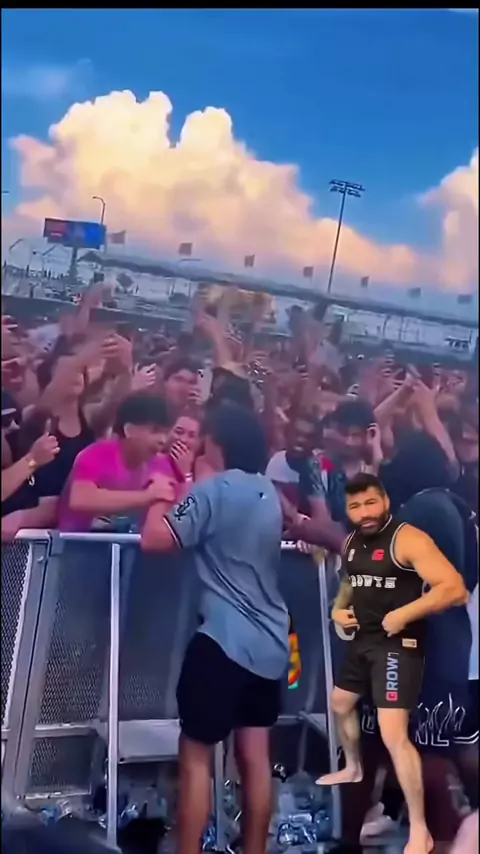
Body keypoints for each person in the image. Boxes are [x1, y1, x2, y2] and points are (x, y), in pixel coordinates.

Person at [141, 403, 289, 854]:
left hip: (221, 642)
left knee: (196, 760)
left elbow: (156, 539)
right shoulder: (268, 491)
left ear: (218, 443)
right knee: (256, 761)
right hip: (270, 644)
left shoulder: (216, 489)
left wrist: (160, 493)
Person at [317, 472, 468, 854]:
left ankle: (437, 842)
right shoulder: (451, 508)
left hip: (418, 650)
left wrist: (323, 533)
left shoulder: (424, 512)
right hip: (434, 648)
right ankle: (358, 841)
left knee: (418, 759)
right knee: (382, 748)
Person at [57, 392, 177, 532]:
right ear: (129, 430)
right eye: (155, 431)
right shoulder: (96, 454)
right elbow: (80, 499)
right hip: (76, 542)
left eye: (165, 433)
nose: (162, 440)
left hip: (131, 544)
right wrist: (147, 497)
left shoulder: (162, 465)